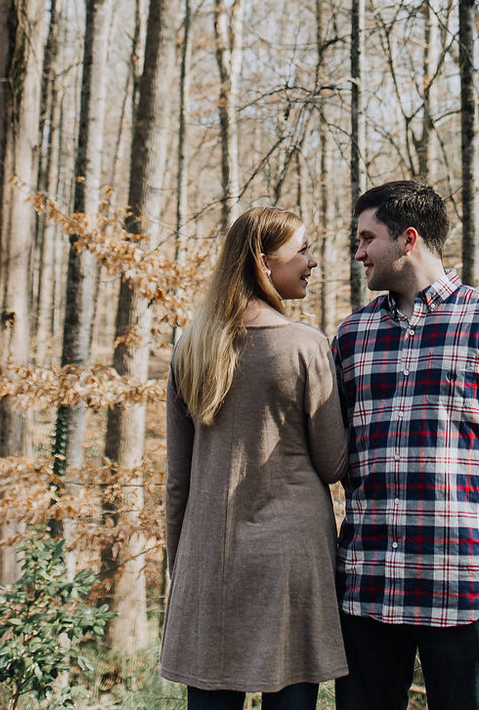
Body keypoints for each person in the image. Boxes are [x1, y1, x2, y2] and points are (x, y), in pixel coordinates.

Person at [332, 180, 479, 710]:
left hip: (463, 586)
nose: (357, 252)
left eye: (367, 238)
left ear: (407, 240)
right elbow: (335, 447)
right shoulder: (351, 335)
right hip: (369, 587)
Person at [161, 206, 348, 709]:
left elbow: (178, 480)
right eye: (302, 251)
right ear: (265, 264)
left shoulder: (192, 346)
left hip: (209, 557)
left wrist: (183, 566)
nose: (311, 262)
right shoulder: (305, 347)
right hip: (290, 564)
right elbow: (333, 465)